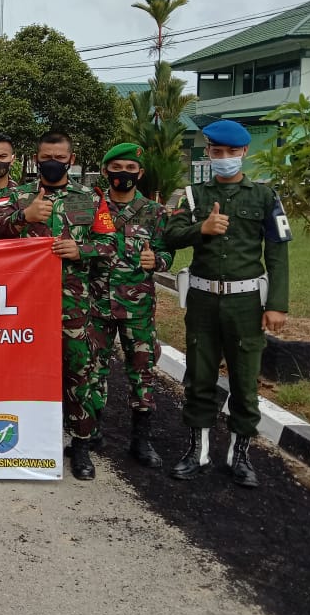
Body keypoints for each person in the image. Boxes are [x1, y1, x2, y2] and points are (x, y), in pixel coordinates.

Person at [164, 120, 290, 488]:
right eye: (217, 153)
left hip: (246, 302)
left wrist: (277, 304)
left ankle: (240, 453)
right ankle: (197, 452)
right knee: (200, 377)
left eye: (231, 153)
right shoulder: (191, 196)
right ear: (208, 153)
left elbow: (278, 254)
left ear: (244, 153)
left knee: (245, 380)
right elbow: (170, 235)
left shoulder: (265, 197)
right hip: (202, 299)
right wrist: (200, 229)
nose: (224, 159)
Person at [0, 131, 115, 481]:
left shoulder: (91, 198)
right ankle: (24, 441)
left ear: (71, 161)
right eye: (47, 156)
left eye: (60, 158)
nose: (53, 163)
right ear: (36, 157)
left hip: (72, 304)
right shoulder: (16, 195)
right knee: (20, 375)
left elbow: (110, 245)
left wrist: (83, 250)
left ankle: (79, 446)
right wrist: (24, 217)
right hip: (21, 306)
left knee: (79, 373)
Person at [87, 142, 173, 469]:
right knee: (94, 370)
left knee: (141, 371)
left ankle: (142, 439)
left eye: (130, 169)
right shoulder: (91, 207)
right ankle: (90, 431)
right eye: (117, 168)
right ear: (106, 170)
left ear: (140, 173)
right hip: (96, 304)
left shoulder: (155, 212)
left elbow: (166, 252)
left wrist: (158, 261)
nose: (123, 174)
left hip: (137, 307)